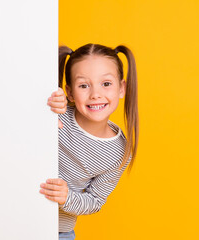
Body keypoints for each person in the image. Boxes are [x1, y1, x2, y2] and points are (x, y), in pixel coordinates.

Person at [39, 43, 139, 240]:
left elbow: (94, 201)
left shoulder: (120, 151)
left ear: (122, 88)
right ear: (69, 92)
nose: (95, 94)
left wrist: (67, 198)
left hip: (59, 232)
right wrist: (44, 106)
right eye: (83, 85)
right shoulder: (56, 113)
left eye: (106, 84)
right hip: (14, 214)